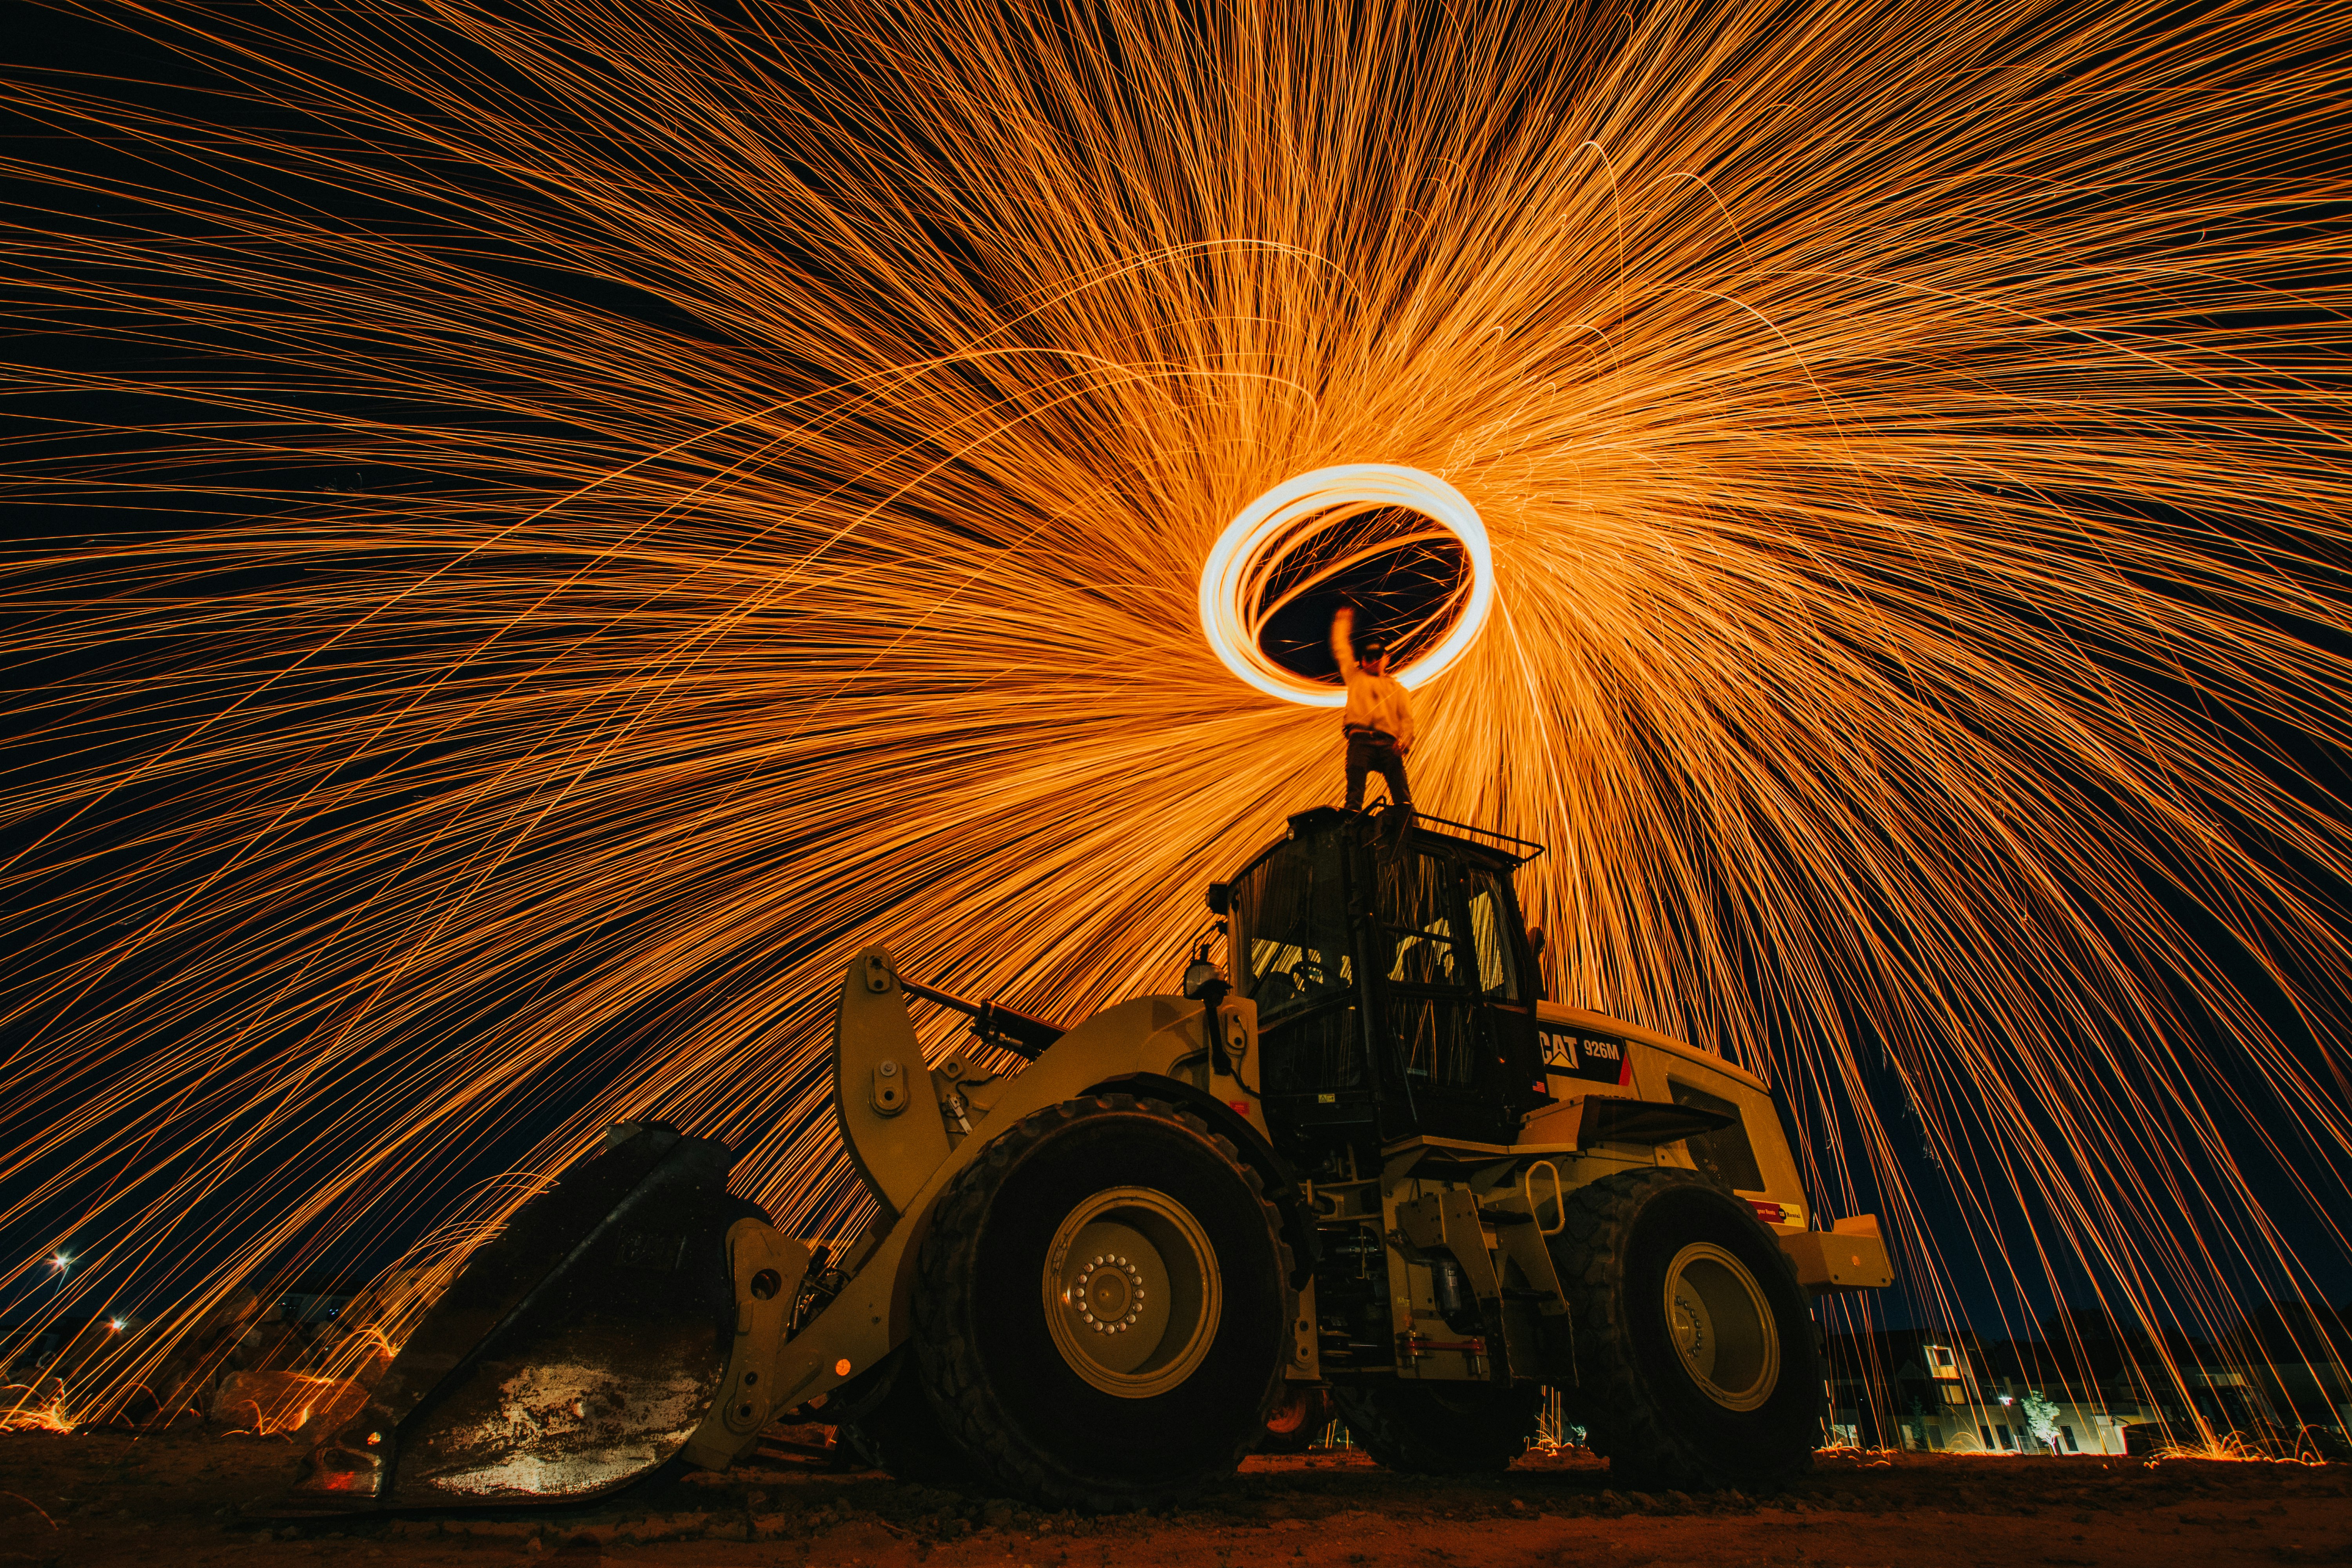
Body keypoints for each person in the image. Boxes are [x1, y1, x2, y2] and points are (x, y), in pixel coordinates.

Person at [1331, 604, 1414, 810]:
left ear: (1386, 659)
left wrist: (1406, 742)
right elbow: (1342, 649)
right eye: (1370, 658)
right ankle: (1350, 826)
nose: (1375, 662)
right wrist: (1343, 622)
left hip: (1388, 744)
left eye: (1379, 657)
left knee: (1402, 794)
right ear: (1362, 661)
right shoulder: (1355, 677)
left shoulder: (1397, 689)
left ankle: (1412, 828)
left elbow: (1407, 719)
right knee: (1354, 795)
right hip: (1361, 741)